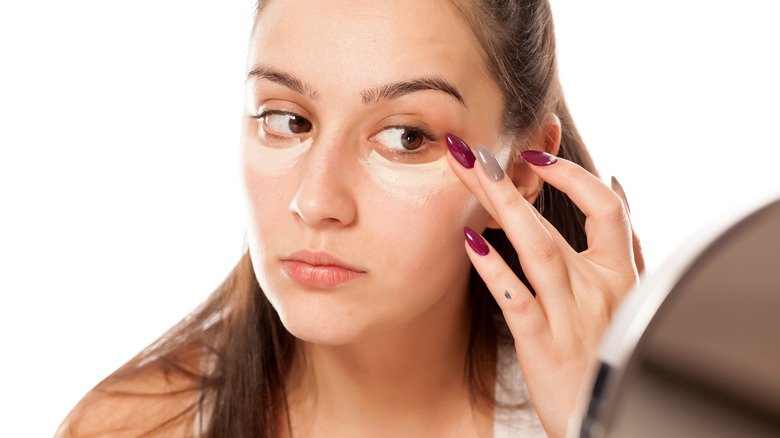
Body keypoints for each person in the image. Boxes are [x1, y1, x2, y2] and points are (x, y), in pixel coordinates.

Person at [55, 0, 642, 436]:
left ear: (518, 173)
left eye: (406, 137)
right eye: (287, 120)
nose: (314, 201)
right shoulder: (128, 428)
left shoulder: (604, 419)